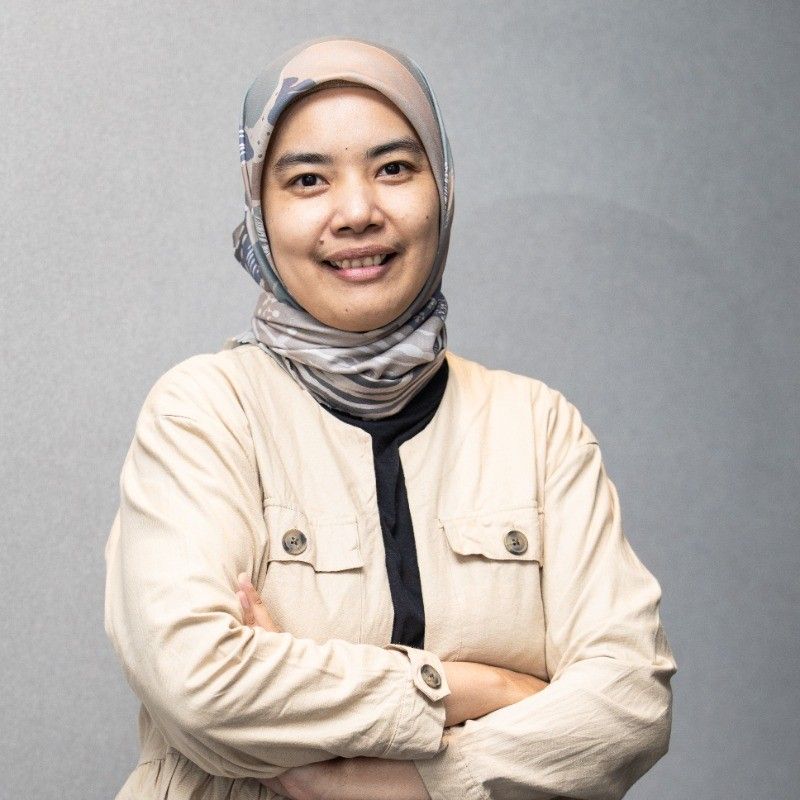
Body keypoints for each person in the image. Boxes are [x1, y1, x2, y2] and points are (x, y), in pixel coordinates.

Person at [104, 37, 677, 800]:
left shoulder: (539, 428)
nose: (357, 213)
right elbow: (199, 685)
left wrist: (420, 783)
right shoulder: (205, 413)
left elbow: (630, 704)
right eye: (308, 180)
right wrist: (480, 691)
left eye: (395, 169)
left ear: (442, 187)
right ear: (260, 210)